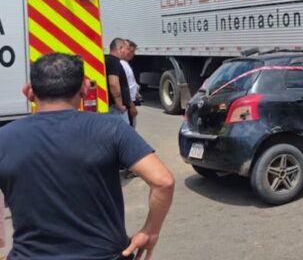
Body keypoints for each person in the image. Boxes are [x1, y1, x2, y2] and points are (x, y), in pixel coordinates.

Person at [0, 53, 175, 260]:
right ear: (84, 88)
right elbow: (163, 182)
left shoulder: (4, 138)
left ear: (28, 91)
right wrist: (150, 231)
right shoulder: (112, 129)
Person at [105, 38, 133, 125]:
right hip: (116, 109)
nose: (128, 52)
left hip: (112, 106)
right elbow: (113, 84)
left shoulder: (107, 60)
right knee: (123, 135)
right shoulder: (114, 62)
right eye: (126, 49)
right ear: (120, 48)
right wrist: (119, 104)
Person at [121, 39, 141, 128]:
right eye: (131, 51)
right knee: (129, 128)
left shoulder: (125, 64)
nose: (133, 54)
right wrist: (131, 106)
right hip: (128, 104)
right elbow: (125, 88)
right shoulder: (122, 64)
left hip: (130, 102)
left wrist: (137, 93)